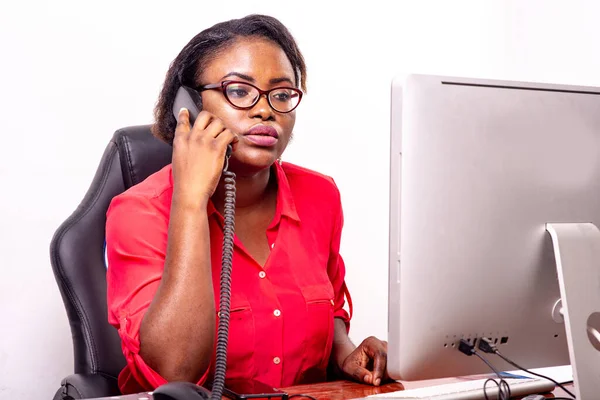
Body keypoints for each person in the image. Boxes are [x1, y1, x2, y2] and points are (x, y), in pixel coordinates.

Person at [105, 14, 389, 395]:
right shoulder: (138, 212)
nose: (265, 110)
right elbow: (176, 372)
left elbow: (328, 306)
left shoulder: (320, 196)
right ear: (185, 105)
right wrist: (190, 202)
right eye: (239, 91)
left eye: (283, 94)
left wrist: (346, 355)